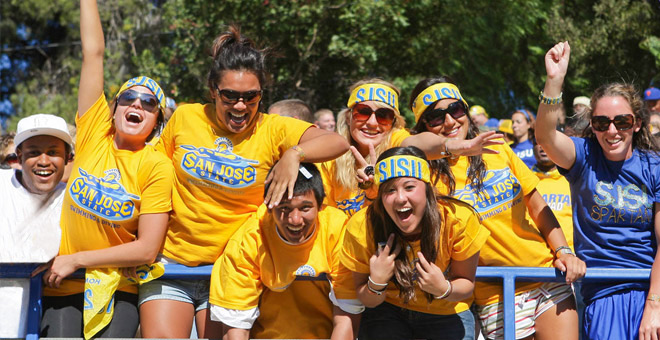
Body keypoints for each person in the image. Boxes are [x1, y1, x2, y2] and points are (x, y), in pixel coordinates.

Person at [140, 25, 349, 338]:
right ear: (213, 90)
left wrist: (294, 153)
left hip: (234, 268)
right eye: (230, 96)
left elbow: (337, 143)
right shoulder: (185, 118)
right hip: (172, 263)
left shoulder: (274, 129)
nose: (240, 106)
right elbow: (149, 173)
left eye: (251, 97)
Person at [408, 77, 585, 340]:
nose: (449, 122)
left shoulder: (497, 148)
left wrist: (563, 251)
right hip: (496, 291)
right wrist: (453, 148)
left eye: (456, 110)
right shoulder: (421, 171)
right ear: (423, 126)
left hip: (546, 274)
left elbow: (537, 206)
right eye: (435, 117)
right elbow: (400, 145)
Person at [37, 1, 174, 337]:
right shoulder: (94, 133)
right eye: (128, 98)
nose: (137, 104)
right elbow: (93, 53)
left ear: (156, 122)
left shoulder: (156, 165)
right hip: (63, 283)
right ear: (113, 110)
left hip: (117, 288)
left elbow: (146, 249)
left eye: (149, 103)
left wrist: (78, 258)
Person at [536, 41, 660, 340]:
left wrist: (654, 304)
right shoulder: (584, 156)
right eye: (602, 123)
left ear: (637, 123)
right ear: (592, 125)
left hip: (651, 287)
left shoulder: (654, 166)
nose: (612, 131)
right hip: (606, 292)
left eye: (623, 121)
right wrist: (554, 80)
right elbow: (545, 136)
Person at [341, 146, 489, 340]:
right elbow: (367, 300)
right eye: (390, 190)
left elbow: (466, 284)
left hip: (446, 310)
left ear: (427, 188)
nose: (401, 198)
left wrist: (444, 289)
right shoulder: (362, 226)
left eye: (409, 187)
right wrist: (376, 282)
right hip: (388, 310)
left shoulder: (458, 219)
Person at [209, 162, 362, 339]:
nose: (295, 220)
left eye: (305, 208)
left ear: (321, 206)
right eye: (284, 208)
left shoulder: (338, 230)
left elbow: (347, 318)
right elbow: (236, 329)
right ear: (269, 206)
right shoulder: (249, 240)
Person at [321, 78, 501, 217]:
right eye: (363, 112)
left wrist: (452, 145)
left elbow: (417, 145)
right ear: (348, 117)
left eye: (383, 115)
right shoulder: (330, 158)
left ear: (393, 122)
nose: (372, 122)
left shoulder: (396, 141)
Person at [0, 114, 73, 338]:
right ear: (19, 156)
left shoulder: (74, 201)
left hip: (36, 323)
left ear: (68, 157)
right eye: (33, 153)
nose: (43, 161)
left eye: (53, 152)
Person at [529, 130, 573, 250]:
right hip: (537, 261)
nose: (543, 147)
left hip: (572, 258)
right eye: (538, 142)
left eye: (548, 141)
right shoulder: (524, 181)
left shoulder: (574, 180)